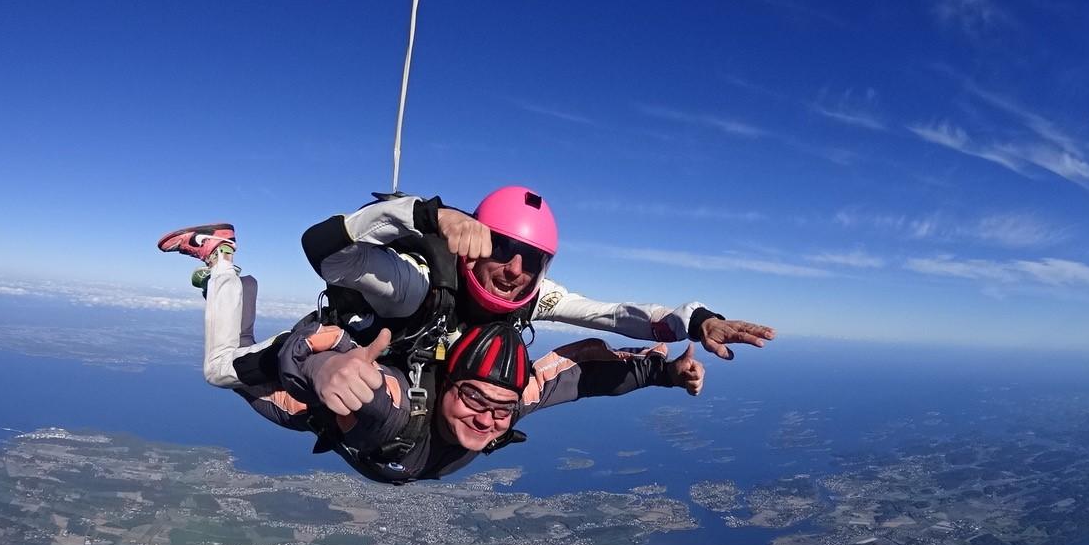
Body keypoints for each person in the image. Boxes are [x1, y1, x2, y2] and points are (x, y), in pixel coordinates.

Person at [157, 225, 705, 485]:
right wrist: (321, 365)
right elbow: (334, 362)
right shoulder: (394, 403)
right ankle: (222, 258)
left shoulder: (507, 403)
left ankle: (227, 271)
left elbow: (577, 370)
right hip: (306, 390)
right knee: (219, 370)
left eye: (500, 409)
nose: (488, 420)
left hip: (359, 371)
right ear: (448, 385)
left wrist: (664, 368)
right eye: (474, 399)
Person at [301, 187, 775, 367]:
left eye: (533, 259)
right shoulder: (418, 284)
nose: (515, 270)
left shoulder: (534, 295)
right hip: (363, 378)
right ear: (476, 240)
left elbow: (615, 316)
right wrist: (426, 216)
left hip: (445, 403)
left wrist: (698, 321)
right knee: (222, 370)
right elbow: (326, 252)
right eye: (502, 249)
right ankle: (223, 261)